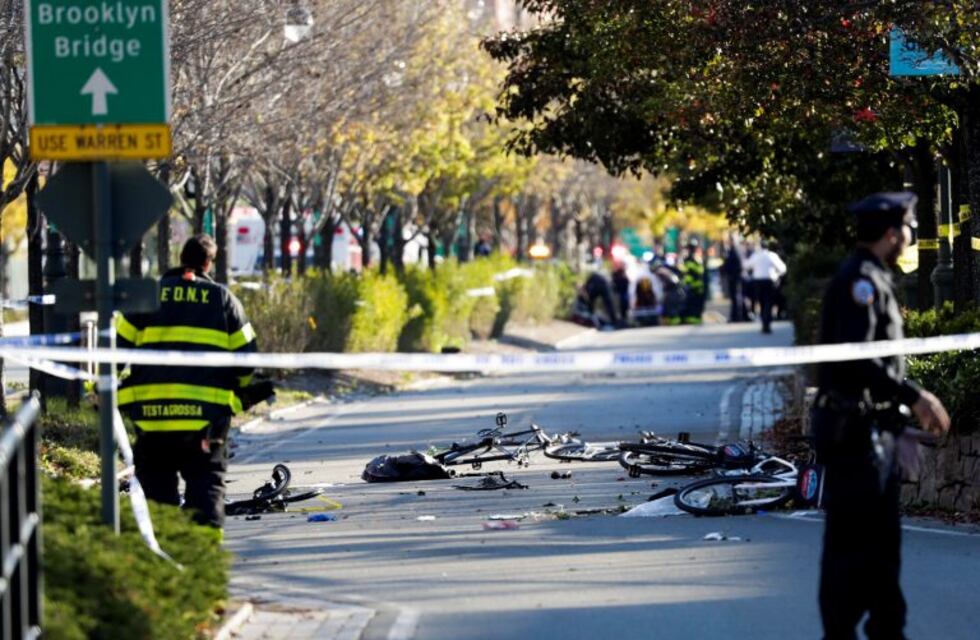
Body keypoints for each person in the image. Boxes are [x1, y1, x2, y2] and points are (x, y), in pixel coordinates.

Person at [812, 192, 950, 639]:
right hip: (855, 439)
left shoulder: (869, 276)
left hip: (868, 433)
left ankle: (884, 629)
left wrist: (896, 424)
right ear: (892, 233)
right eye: (908, 228)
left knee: (877, 548)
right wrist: (916, 396)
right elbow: (860, 359)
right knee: (855, 549)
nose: (910, 236)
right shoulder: (861, 283)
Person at [116, 234, 268, 528]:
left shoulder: (146, 298)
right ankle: (204, 549)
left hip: (152, 420)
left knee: (157, 499)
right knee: (205, 492)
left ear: (181, 258)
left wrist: (103, 391)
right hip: (205, 422)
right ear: (208, 263)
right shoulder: (223, 299)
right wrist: (237, 391)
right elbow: (247, 361)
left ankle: (164, 549)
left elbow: (114, 352)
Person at [743, 239, 787, 334]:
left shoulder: (756, 255)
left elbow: (746, 265)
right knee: (769, 303)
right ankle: (767, 323)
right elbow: (783, 268)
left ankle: (764, 323)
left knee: (762, 303)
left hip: (758, 282)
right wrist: (776, 275)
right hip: (769, 281)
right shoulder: (772, 255)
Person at [680, 238, 707, 324]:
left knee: (694, 303)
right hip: (694, 286)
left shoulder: (692, 259)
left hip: (694, 286)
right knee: (694, 303)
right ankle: (694, 318)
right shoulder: (695, 258)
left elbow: (694, 272)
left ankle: (693, 318)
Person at [721, 236, 745, 322]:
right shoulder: (732, 251)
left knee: (735, 297)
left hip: (734, 278)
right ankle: (735, 316)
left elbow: (733, 265)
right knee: (734, 298)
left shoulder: (734, 251)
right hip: (733, 278)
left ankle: (736, 316)